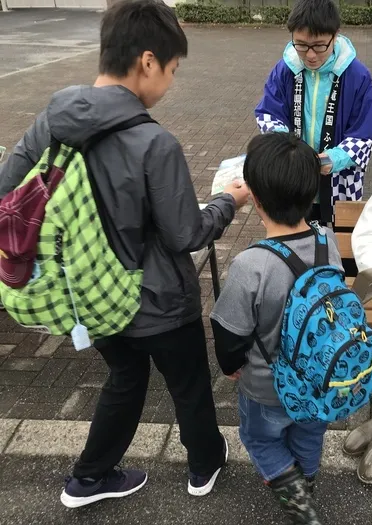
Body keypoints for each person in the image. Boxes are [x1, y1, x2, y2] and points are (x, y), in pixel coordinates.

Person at [0, 0, 249, 508]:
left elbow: (9, 189)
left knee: (125, 377)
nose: (171, 83)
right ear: (149, 61)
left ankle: (87, 479)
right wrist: (229, 200)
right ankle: (204, 464)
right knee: (188, 385)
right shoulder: (154, 143)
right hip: (159, 301)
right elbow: (185, 235)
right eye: (173, 70)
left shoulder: (51, 120)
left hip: (90, 294)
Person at [211, 132, 343, 525]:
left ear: (255, 197)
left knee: (260, 438)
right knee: (308, 433)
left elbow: (230, 334)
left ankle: (298, 499)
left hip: (267, 386)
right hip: (319, 375)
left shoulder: (251, 265)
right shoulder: (327, 242)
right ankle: (306, 479)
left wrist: (231, 365)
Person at [254, 0, 372, 275]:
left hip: (339, 179)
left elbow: (363, 135)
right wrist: (293, 154)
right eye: (301, 45)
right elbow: (268, 114)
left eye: (319, 45)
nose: (310, 55)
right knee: (294, 252)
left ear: (336, 35)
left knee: (346, 250)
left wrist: (327, 160)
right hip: (295, 179)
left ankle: (344, 301)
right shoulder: (285, 69)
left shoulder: (357, 76)